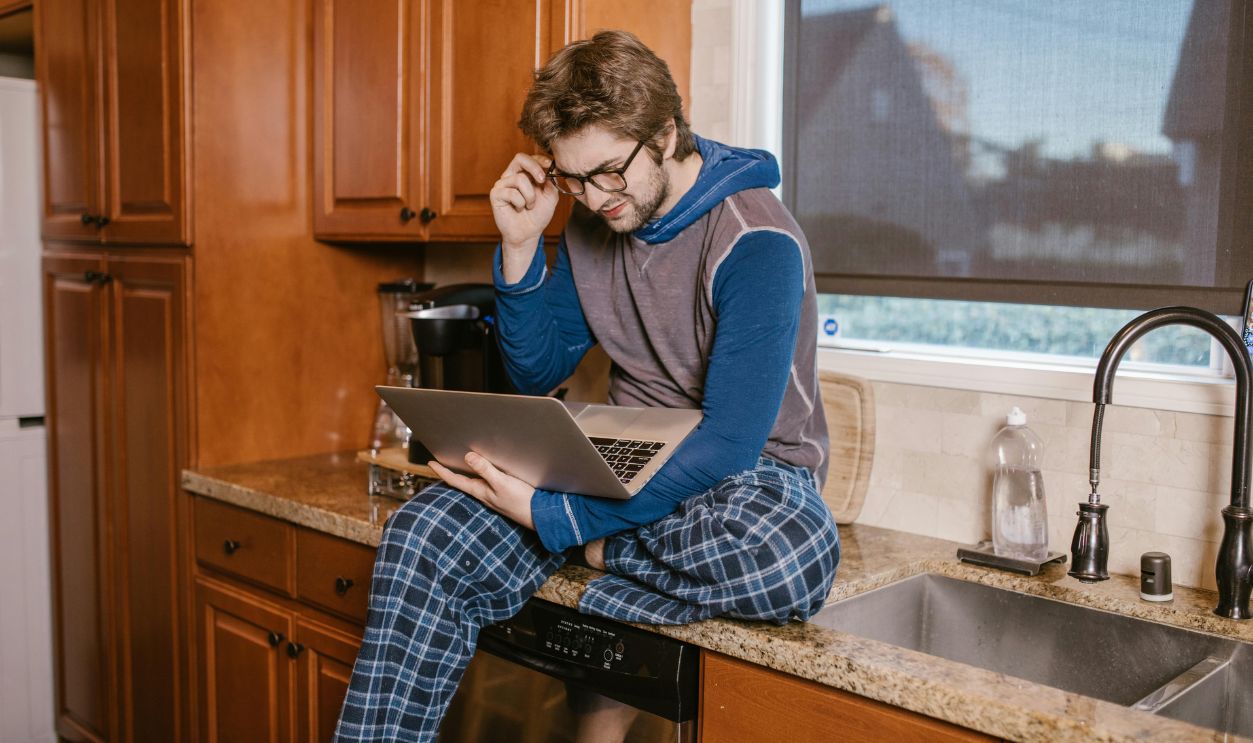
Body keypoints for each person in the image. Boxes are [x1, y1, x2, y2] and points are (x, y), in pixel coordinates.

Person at [335, 30, 839, 742]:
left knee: (792, 554)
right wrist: (517, 247)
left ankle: (595, 553)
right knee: (423, 532)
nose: (594, 197)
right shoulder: (589, 217)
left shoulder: (757, 241)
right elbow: (537, 371)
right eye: (571, 177)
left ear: (664, 133)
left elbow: (728, 443)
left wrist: (561, 523)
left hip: (742, 479)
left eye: (608, 171)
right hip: (617, 453)